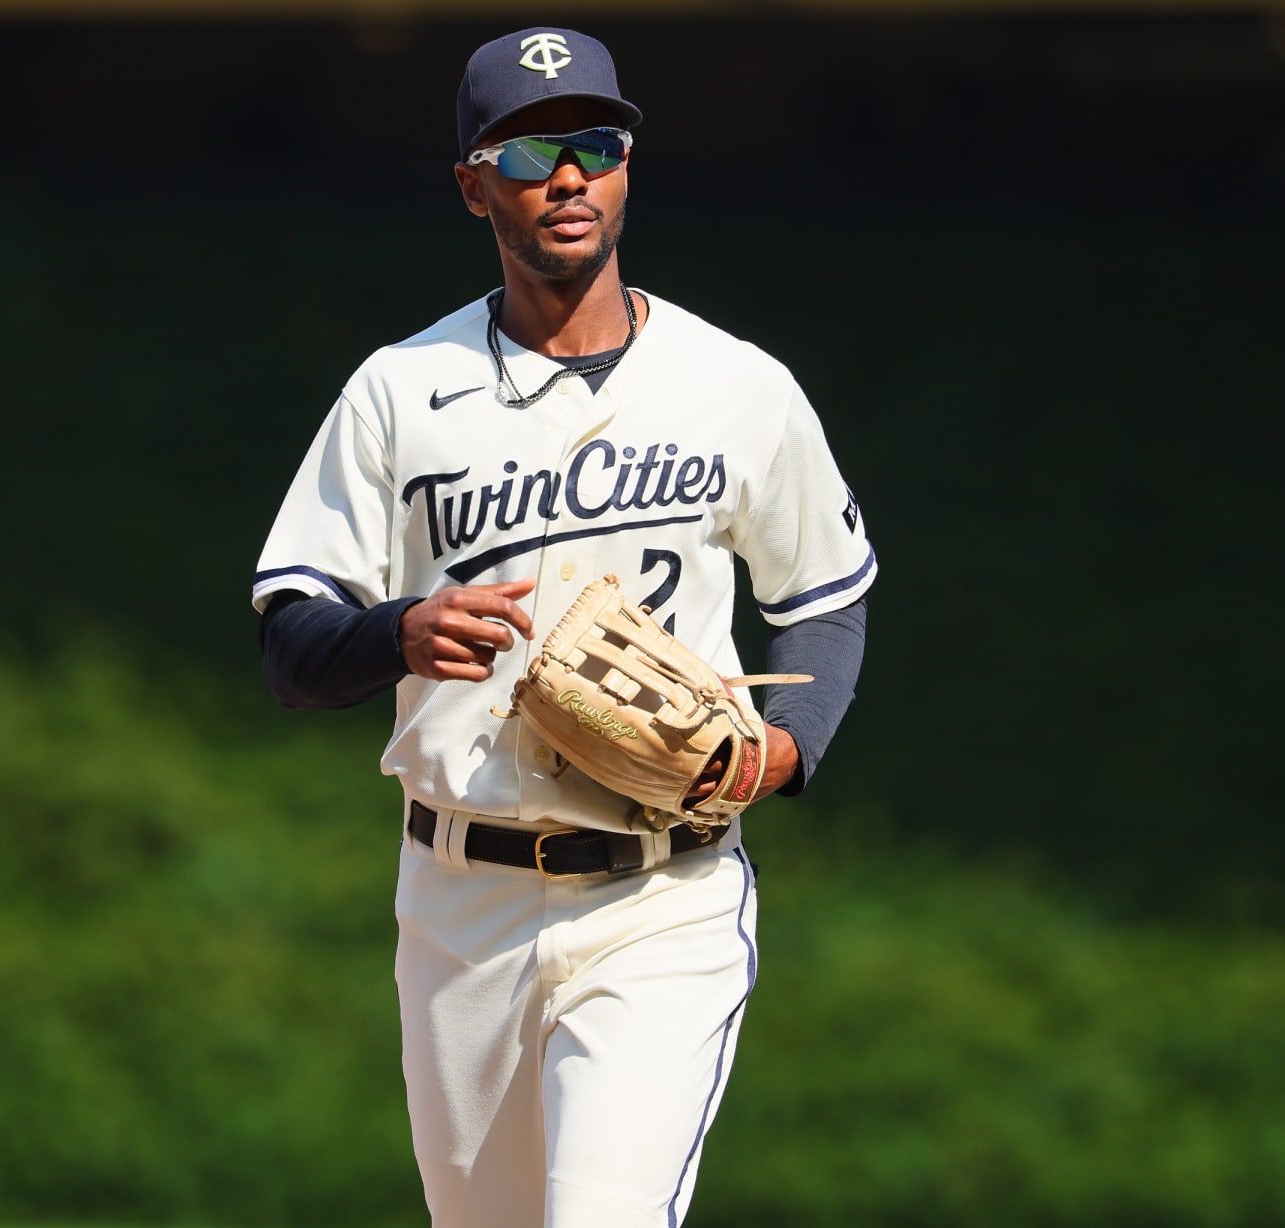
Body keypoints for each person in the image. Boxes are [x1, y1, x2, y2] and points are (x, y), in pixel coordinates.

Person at [252, 27, 875, 1228]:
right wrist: (399, 629)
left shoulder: (735, 383)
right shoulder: (400, 391)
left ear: (629, 167)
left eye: (598, 142)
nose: (571, 174)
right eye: (534, 148)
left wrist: (789, 744)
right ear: (475, 184)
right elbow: (292, 637)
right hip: (460, 904)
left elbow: (827, 594)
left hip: (661, 895)